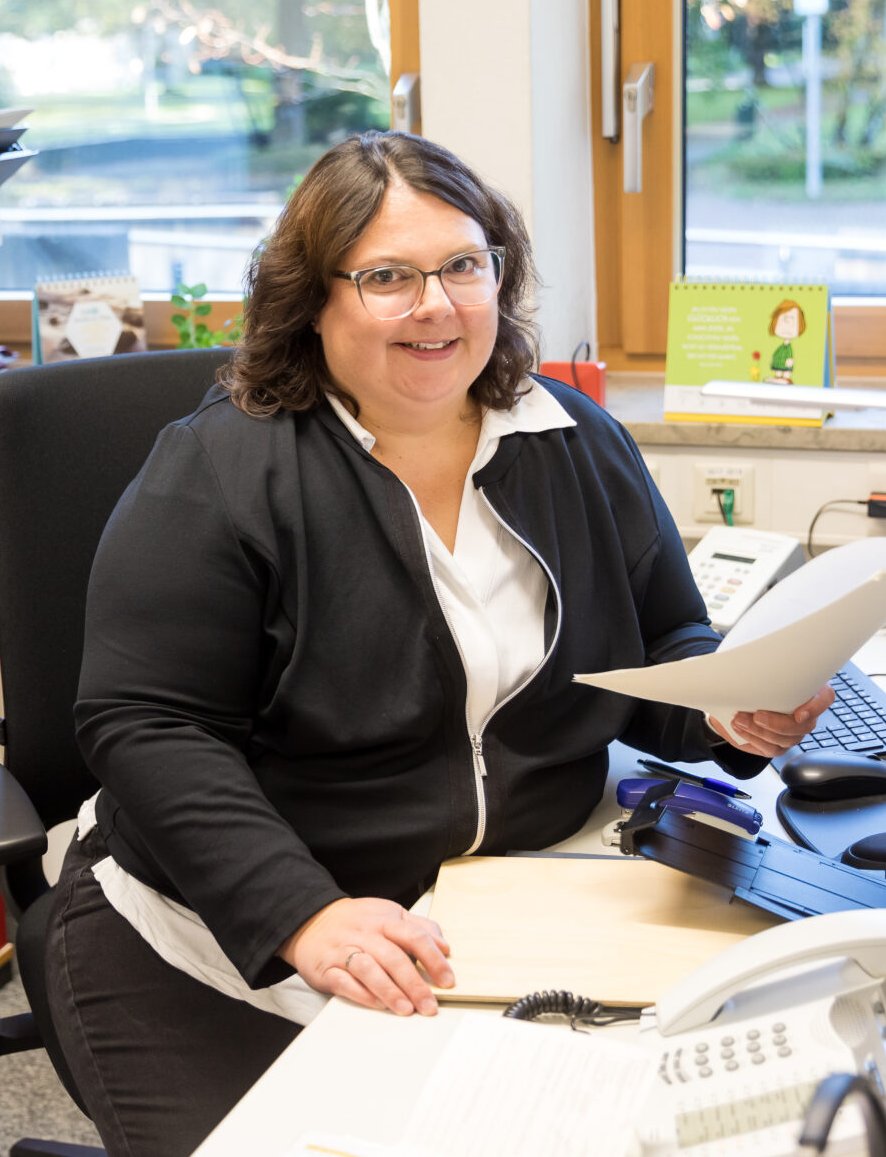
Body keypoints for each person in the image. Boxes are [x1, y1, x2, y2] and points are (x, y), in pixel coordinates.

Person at [44, 131, 833, 1156]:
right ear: (312, 298)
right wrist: (302, 913)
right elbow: (145, 723)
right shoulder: (222, 470)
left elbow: (662, 639)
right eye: (387, 276)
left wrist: (732, 706)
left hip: (510, 905)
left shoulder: (574, 438)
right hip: (222, 926)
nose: (437, 303)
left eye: (465, 264)